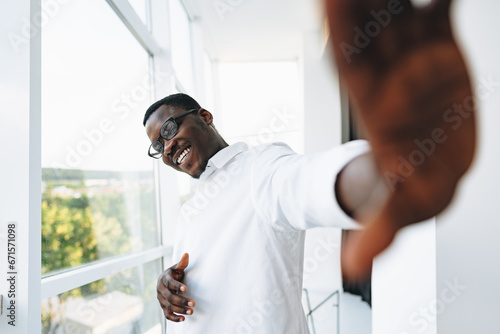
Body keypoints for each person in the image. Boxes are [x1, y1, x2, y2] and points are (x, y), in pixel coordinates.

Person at [145, 0, 475, 331]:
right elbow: (190, 270)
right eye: (158, 146)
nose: (168, 146)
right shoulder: (190, 208)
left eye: (170, 129)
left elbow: (307, 183)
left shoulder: (260, 169)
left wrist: (391, 167)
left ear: (204, 117)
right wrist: (166, 283)